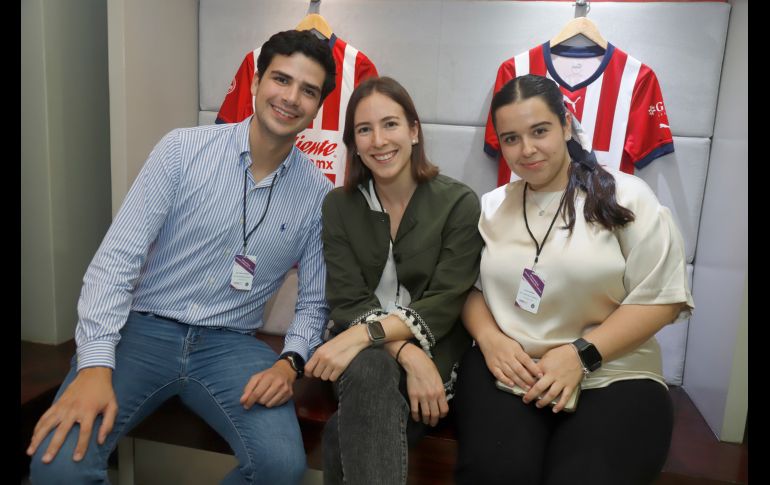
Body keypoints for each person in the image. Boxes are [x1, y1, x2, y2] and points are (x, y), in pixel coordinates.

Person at [27, 30, 337, 484]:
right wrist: (94, 365)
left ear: (318, 106)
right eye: (281, 79)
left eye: (308, 90)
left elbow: (314, 304)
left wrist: (288, 362)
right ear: (255, 82)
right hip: (143, 330)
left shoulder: (318, 195)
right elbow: (115, 262)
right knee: (58, 467)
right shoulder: (182, 151)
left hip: (231, 344)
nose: (291, 98)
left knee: (279, 466)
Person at [453, 74, 694, 485]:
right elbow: (470, 292)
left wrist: (580, 355)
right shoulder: (492, 207)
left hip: (615, 374)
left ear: (566, 125)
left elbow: (661, 299)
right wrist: (492, 341)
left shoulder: (627, 197)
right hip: (513, 373)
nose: (526, 150)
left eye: (540, 131)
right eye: (511, 138)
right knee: (497, 473)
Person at [305, 76, 483, 485]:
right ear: (353, 143)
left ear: (414, 130)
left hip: (438, 359)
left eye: (390, 124)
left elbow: (445, 300)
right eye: (364, 130)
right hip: (366, 356)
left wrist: (409, 353)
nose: (379, 140)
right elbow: (348, 299)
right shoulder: (338, 206)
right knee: (370, 369)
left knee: (338, 434)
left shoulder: (458, 203)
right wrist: (406, 353)